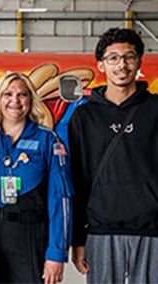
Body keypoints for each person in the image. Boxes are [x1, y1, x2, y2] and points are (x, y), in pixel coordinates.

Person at [69, 27, 158, 283]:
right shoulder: (84, 118)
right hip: (100, 231)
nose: (122, 65)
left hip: (152, 231)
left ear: (139, 62)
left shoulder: (155, 110)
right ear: (101, 65)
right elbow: (77, 180)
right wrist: (78, 239)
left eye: (129, 57)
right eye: (113, 58)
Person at [0, 72, 73, 284]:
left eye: (22, 95)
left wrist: (56, 253)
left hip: (29, 237)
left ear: (31, 100)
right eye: (8, 94)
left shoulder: (47, 139)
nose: (15, 101)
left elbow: (61, 199)